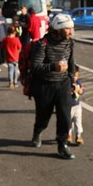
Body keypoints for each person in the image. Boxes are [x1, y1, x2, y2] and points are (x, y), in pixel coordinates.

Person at [29, 13, 76, 160]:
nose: (70, 32)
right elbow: (35, 66)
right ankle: (38, 131)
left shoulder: (70, 42)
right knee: (43, 117)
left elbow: (71, 62)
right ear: (58, 29)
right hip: (45, 85)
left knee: (65, 117)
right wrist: (53, 67)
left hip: (63, 84)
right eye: (67, 29)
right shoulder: (42, 44)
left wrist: (72, 79)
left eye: (71, 28)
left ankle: (62, 145)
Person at [1, 25, 22, 89]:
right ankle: (15, 83)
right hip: (16, 57)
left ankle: (10, 82)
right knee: (15, 70)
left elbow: (2, 47)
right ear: (15, 32)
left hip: (8, 58)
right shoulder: (16, 39)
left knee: (10, 70)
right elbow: (20, 48)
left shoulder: (5, 39)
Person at [68, 64, 84, 145]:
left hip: (77, 106)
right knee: (69, 122)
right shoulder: (67, 82)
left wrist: (78, 90)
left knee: (78, 122)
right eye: (74, 75)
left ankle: (78, 136)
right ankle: (69, 135)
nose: (75, 77)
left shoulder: (78, 82)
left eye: (76, 76)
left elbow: (82, 91)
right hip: (68, 107)